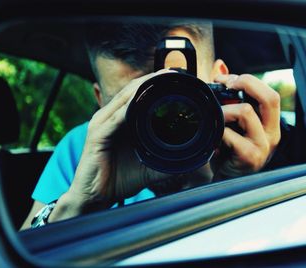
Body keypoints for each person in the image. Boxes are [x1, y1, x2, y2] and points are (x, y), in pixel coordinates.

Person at [20, 20, 281, 230]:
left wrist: (236, 183)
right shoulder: (81, 149)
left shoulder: (247, 149)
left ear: (221, 81)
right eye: (130, 105)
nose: (162, 121)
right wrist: (83, 202)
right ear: (101, 101)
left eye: (181, 98)